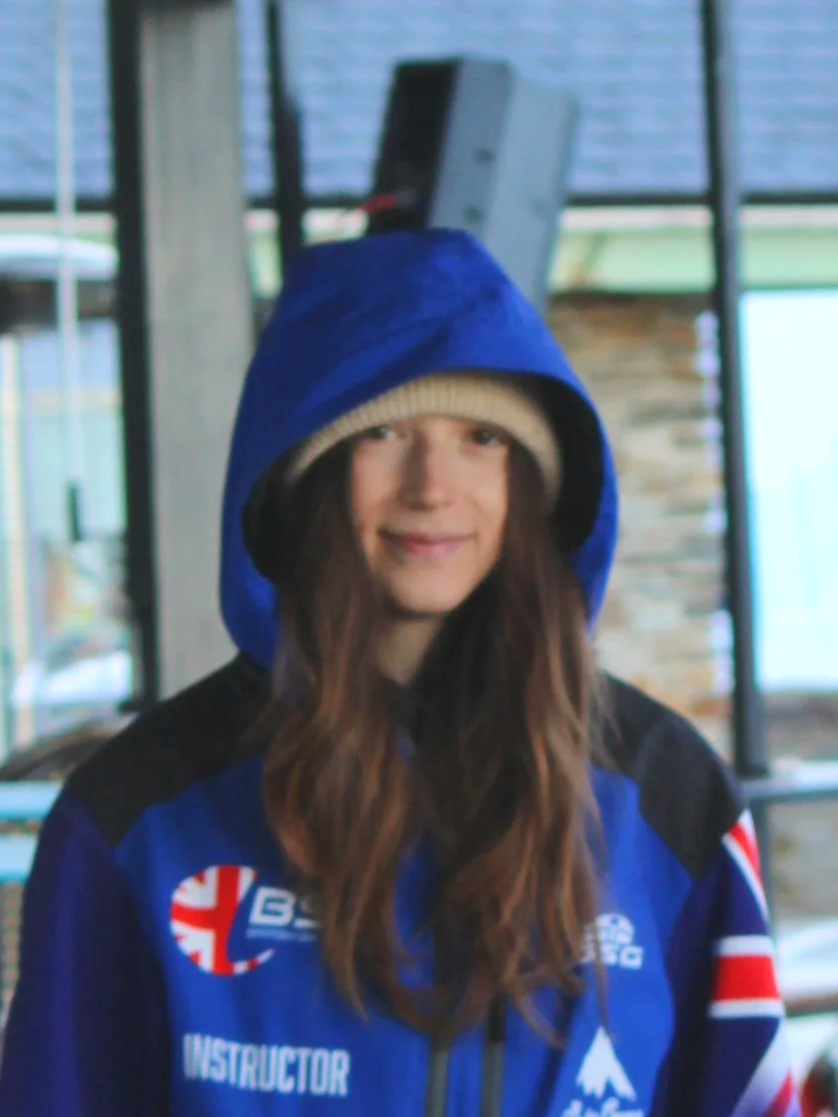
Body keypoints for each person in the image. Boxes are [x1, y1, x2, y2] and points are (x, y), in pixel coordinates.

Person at [0, 229, 799, 1117]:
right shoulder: (139, 812)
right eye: (382, 431)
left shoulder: (665, 798)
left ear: (532, 483)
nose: (433, 486)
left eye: (483, 437)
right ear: (303, 473)